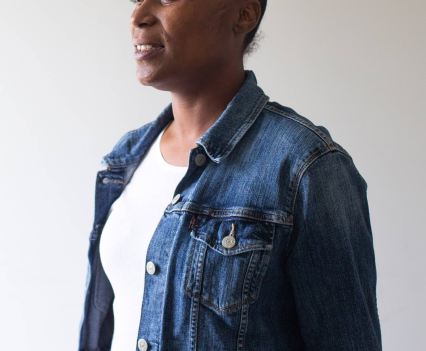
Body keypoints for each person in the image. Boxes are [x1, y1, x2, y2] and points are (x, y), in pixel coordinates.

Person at [78, 0, 382, 350]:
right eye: (136, 0)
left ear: (244, 13)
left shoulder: (306, 168)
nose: (139, 16)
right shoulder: (123, 160)